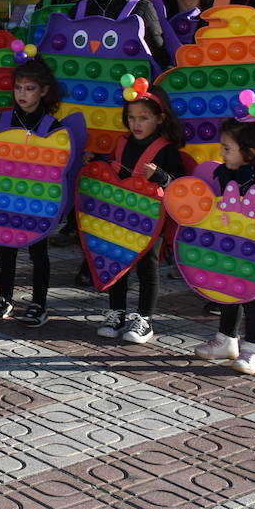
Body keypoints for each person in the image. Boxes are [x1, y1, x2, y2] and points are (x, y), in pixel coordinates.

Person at [192, 116, 255, 374]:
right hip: (231, 245)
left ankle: (254, 351)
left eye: (227, 148)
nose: (221, 153)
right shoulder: (229, 174)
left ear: (249, 152)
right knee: (228, 289)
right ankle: (226, 341)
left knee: (254, 298)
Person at [87, 86, 187, 344]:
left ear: (159, 119)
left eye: (144, 118)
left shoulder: (166, 150)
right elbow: (114, 168)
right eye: (132, 117)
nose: (137, 123)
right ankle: (116, 311)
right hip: (120, 214)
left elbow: (179, 185)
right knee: (115, 259)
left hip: (151, 219)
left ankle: (144, 318)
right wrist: (96, 159)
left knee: (147, 266)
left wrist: (161, 177)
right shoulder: (122, 143)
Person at [0, 58, 69, 327]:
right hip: (6, 197)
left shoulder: (52, 126)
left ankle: (39, 303)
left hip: (38, 201)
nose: (22, 94)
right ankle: (4, 297)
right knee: (6, 247)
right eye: (18, 87)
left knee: (38, 249)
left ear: (43, 90)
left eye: (29, 88)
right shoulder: (1, 119)